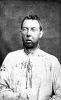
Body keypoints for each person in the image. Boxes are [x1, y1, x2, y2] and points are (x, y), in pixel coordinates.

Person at [0, 14, 61, 100]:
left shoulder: (52, 62)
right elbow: (1, 88)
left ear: (40, 33)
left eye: (33, 29)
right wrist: (15, 98)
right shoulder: (10, 58)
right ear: (21, 33)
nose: (28, 34)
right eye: (25, 29)